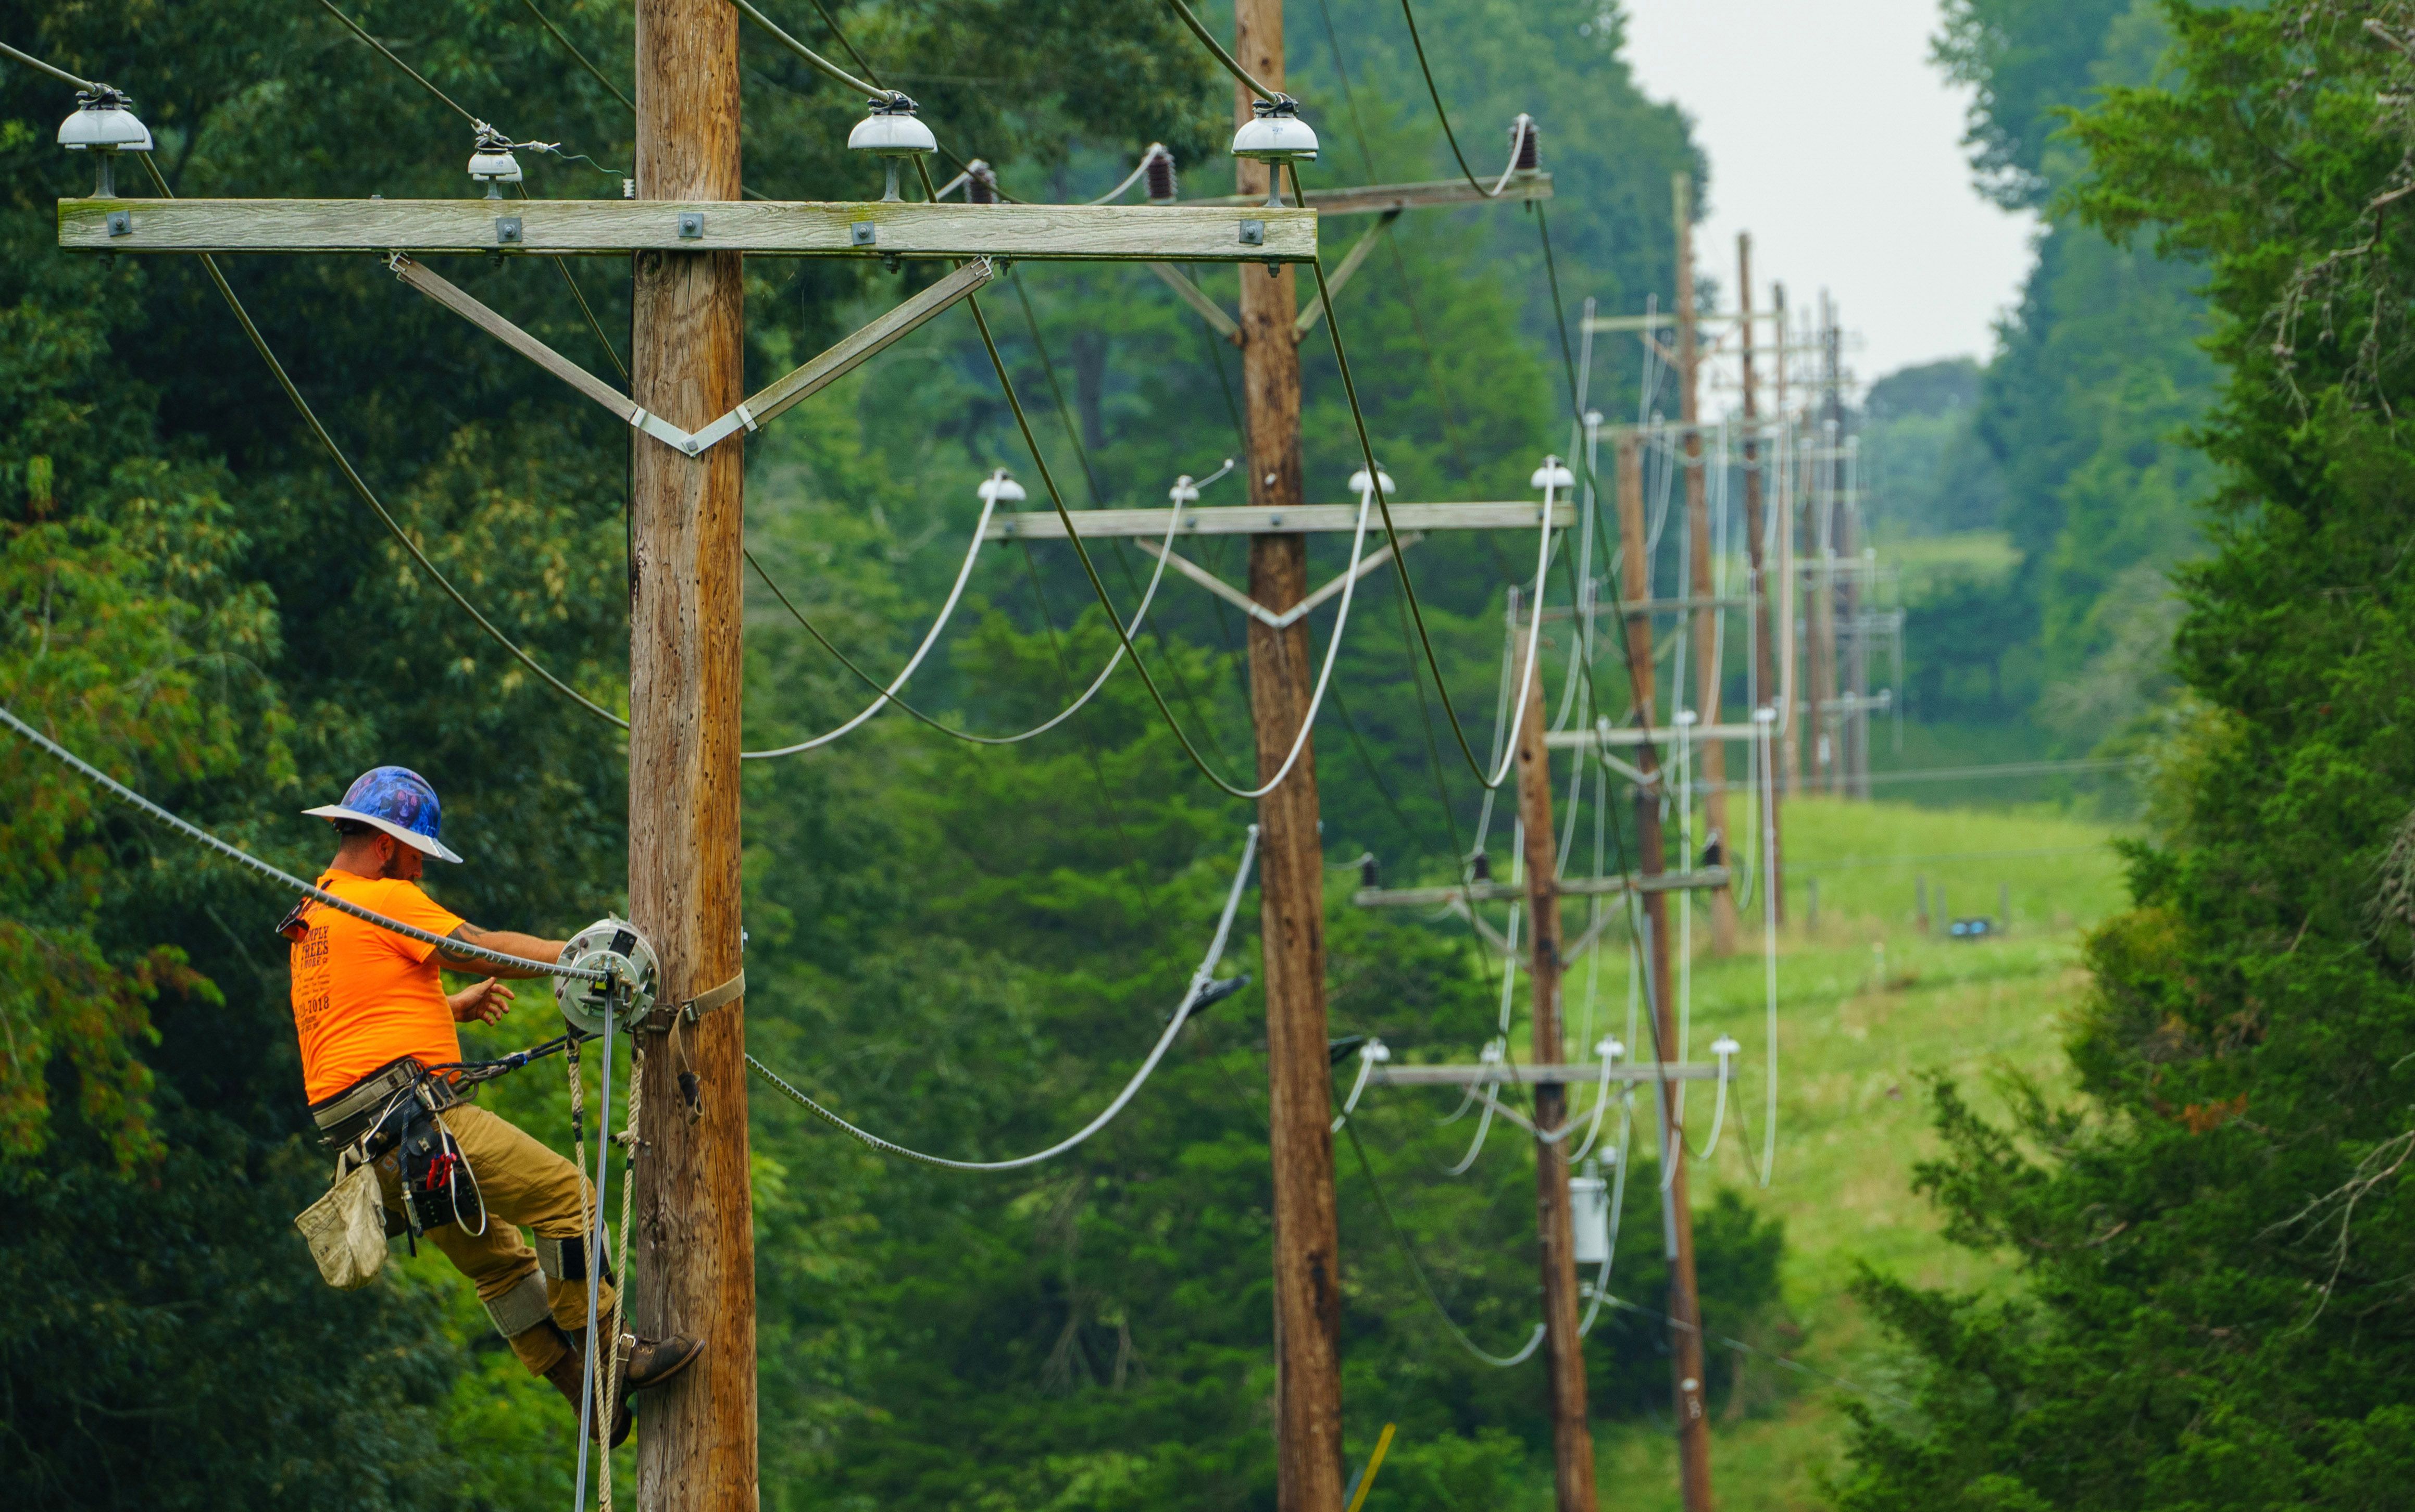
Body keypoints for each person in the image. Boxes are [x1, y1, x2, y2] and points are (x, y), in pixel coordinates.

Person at [286, 765, 702, 1444]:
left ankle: (577, 1390)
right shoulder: (381, 896)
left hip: (376, 1157)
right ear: (387, 846)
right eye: (417, 852)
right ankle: (610, 1356)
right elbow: (480, 947)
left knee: (502, 1267)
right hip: (423, 1127)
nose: (419, 870)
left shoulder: (317, 916)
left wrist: (444, 1007)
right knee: (570, 1200)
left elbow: (349, 1023)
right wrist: (580, 962)